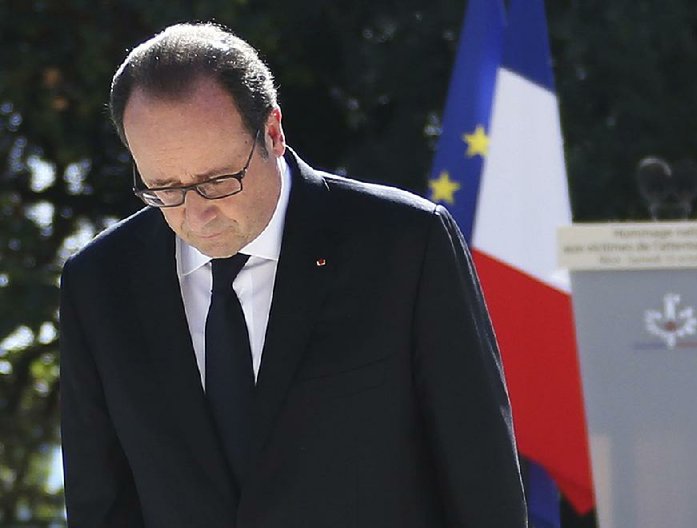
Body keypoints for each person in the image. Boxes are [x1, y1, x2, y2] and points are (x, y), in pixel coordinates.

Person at [59, 22, 527, 528]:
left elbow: (482, 482)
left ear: (273, 133)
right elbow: (101, 506)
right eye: (163, 188)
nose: (196, 214)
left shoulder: (407, 246)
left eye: (217, 181)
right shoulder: (98, 285)